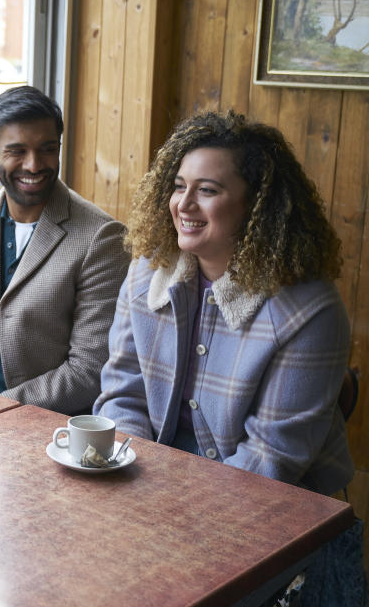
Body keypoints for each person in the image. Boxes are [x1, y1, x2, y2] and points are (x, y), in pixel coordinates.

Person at [94, 110, 353, 494]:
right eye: (179, 186)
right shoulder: (147, 272)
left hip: (277, 505)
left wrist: (170, 503)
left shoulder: (309, 309)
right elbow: (122, 392)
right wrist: (134, 475)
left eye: (208, 190)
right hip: (153, 479)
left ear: (256, 205)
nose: (184, 204)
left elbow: (272, 458)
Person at [0, 85, 129, 413]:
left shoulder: (101, 239)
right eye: (17, 151)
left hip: (33, 427)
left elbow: (88, 371)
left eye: (47, 149)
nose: (33, 165)